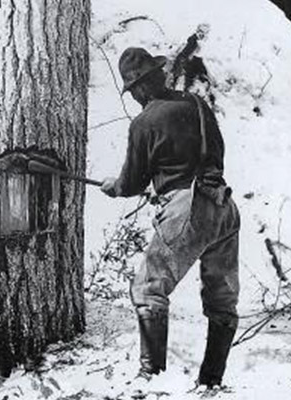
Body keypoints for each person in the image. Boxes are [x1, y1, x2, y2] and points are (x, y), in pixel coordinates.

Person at [100, 47, 241, 389]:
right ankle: (211, 382)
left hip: (186, 207)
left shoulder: (144, 122)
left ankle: (150, 381)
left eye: (133, 91)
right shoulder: (197, 104)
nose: (134, 97)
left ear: (141, 88)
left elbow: (131, 182)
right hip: (223, 205)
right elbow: (214, 152)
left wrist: (115, 187)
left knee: (149, 288)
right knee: (222, 298)